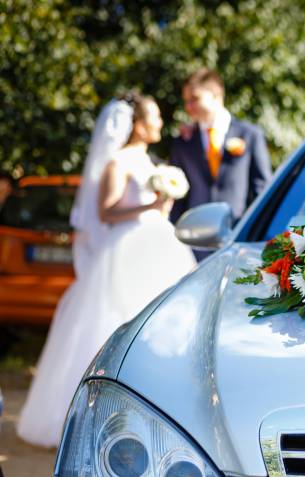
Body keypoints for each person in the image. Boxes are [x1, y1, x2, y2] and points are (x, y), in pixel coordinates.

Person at [17, 93, 196, 448]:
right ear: (139, 125)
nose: (160, 123)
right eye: (155, 117)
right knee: (115, 321)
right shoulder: (119, 163)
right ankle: (92, 417)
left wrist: (161, 207)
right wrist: (150, 203)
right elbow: (107, 212)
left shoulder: (150, 161)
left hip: (156, 246)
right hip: (125, 251)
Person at [169, 68, 273, 227]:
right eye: (186, 101)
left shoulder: (250, 135)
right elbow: (178, 198)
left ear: (216, 95)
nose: (188, 106)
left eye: (194, 99)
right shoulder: (182, 142)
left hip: (238, 234)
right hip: (195, 237)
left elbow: (262, 188)